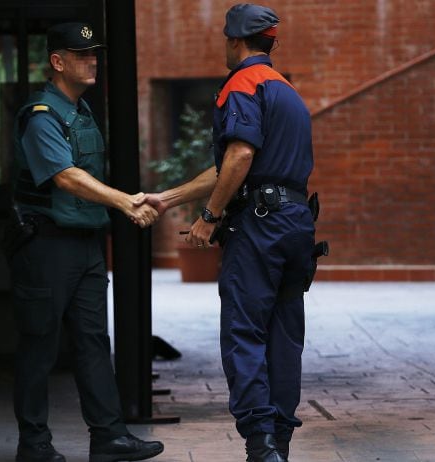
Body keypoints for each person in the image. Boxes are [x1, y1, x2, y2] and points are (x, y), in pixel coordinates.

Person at [139, 4, 317, 461]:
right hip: (296, 225)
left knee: (244, 331)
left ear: (234, 41)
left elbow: (238, 157)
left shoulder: (242, 83)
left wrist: (210, 216)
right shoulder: (288, 93)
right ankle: (278, 441)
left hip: (259, 228)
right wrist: (168, 198)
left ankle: (259, 444)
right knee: (284, 336)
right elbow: (232, 166)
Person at [8, 22, 164, 462]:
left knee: (94, 340)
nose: (92, 60)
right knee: (40, 343)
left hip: (84, 245)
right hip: (45, 247)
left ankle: (109, 437)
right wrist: (127, 203)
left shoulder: (82, 110)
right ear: (57, 62)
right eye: (81, 54)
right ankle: (34, 443)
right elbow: (66, 176)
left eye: (94, 53)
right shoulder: (41, 114)